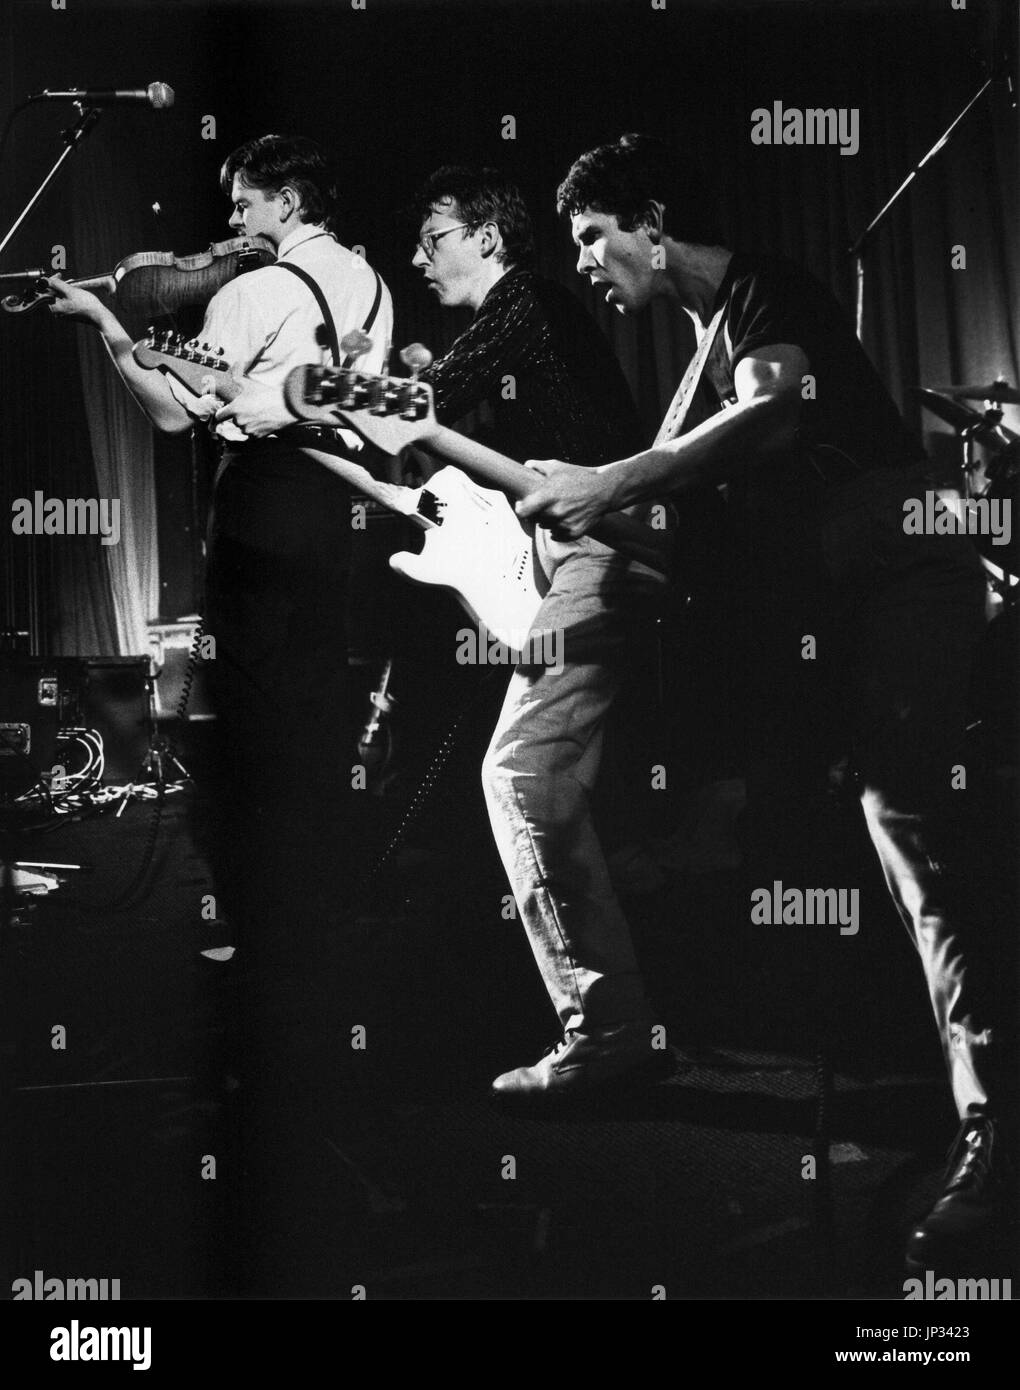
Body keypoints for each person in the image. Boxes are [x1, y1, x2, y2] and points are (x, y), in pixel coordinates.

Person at [515, 132, 1011, 1270]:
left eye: (594, 238)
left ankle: (994, 1128)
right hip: (822, 601)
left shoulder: (763, 288)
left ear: (649, 219)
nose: (588, 265)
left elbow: (774, 408)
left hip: (896, 564)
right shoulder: (693, 353)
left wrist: (619, 480)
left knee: (914, 825)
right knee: (860, 840)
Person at [46, 133, 394, 1293]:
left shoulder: (251, 288)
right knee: (313, 723)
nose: (230, 216)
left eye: (243, 199)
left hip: (262, 502)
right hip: (340, 510)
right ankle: (316, 943)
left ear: (285, 198)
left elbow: (167, 416)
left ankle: (261, 954)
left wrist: (106, 327)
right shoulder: (371, 280)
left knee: (239, 728)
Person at [409, 166, 674, 1100]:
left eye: (432, 238)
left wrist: (325, 397)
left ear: (487, 237)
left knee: (523, 772)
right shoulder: (522, 322)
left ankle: (607, 1035)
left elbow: (427, 401)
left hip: (610, 551)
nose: (417, 258)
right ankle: (630, 1015)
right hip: (577, 557)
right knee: (566, 784)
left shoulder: (524, 303)